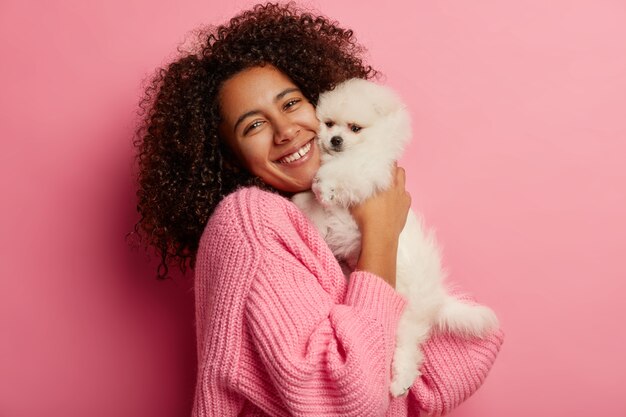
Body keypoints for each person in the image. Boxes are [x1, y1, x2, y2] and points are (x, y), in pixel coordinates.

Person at [133, 3, 504, 416]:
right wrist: (380, 231)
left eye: (291, 104)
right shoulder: (249, 219)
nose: (286, 130)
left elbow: (450, 370)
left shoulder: (314, 218)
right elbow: (350, 402)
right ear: (232, 159)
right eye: (253, 126)